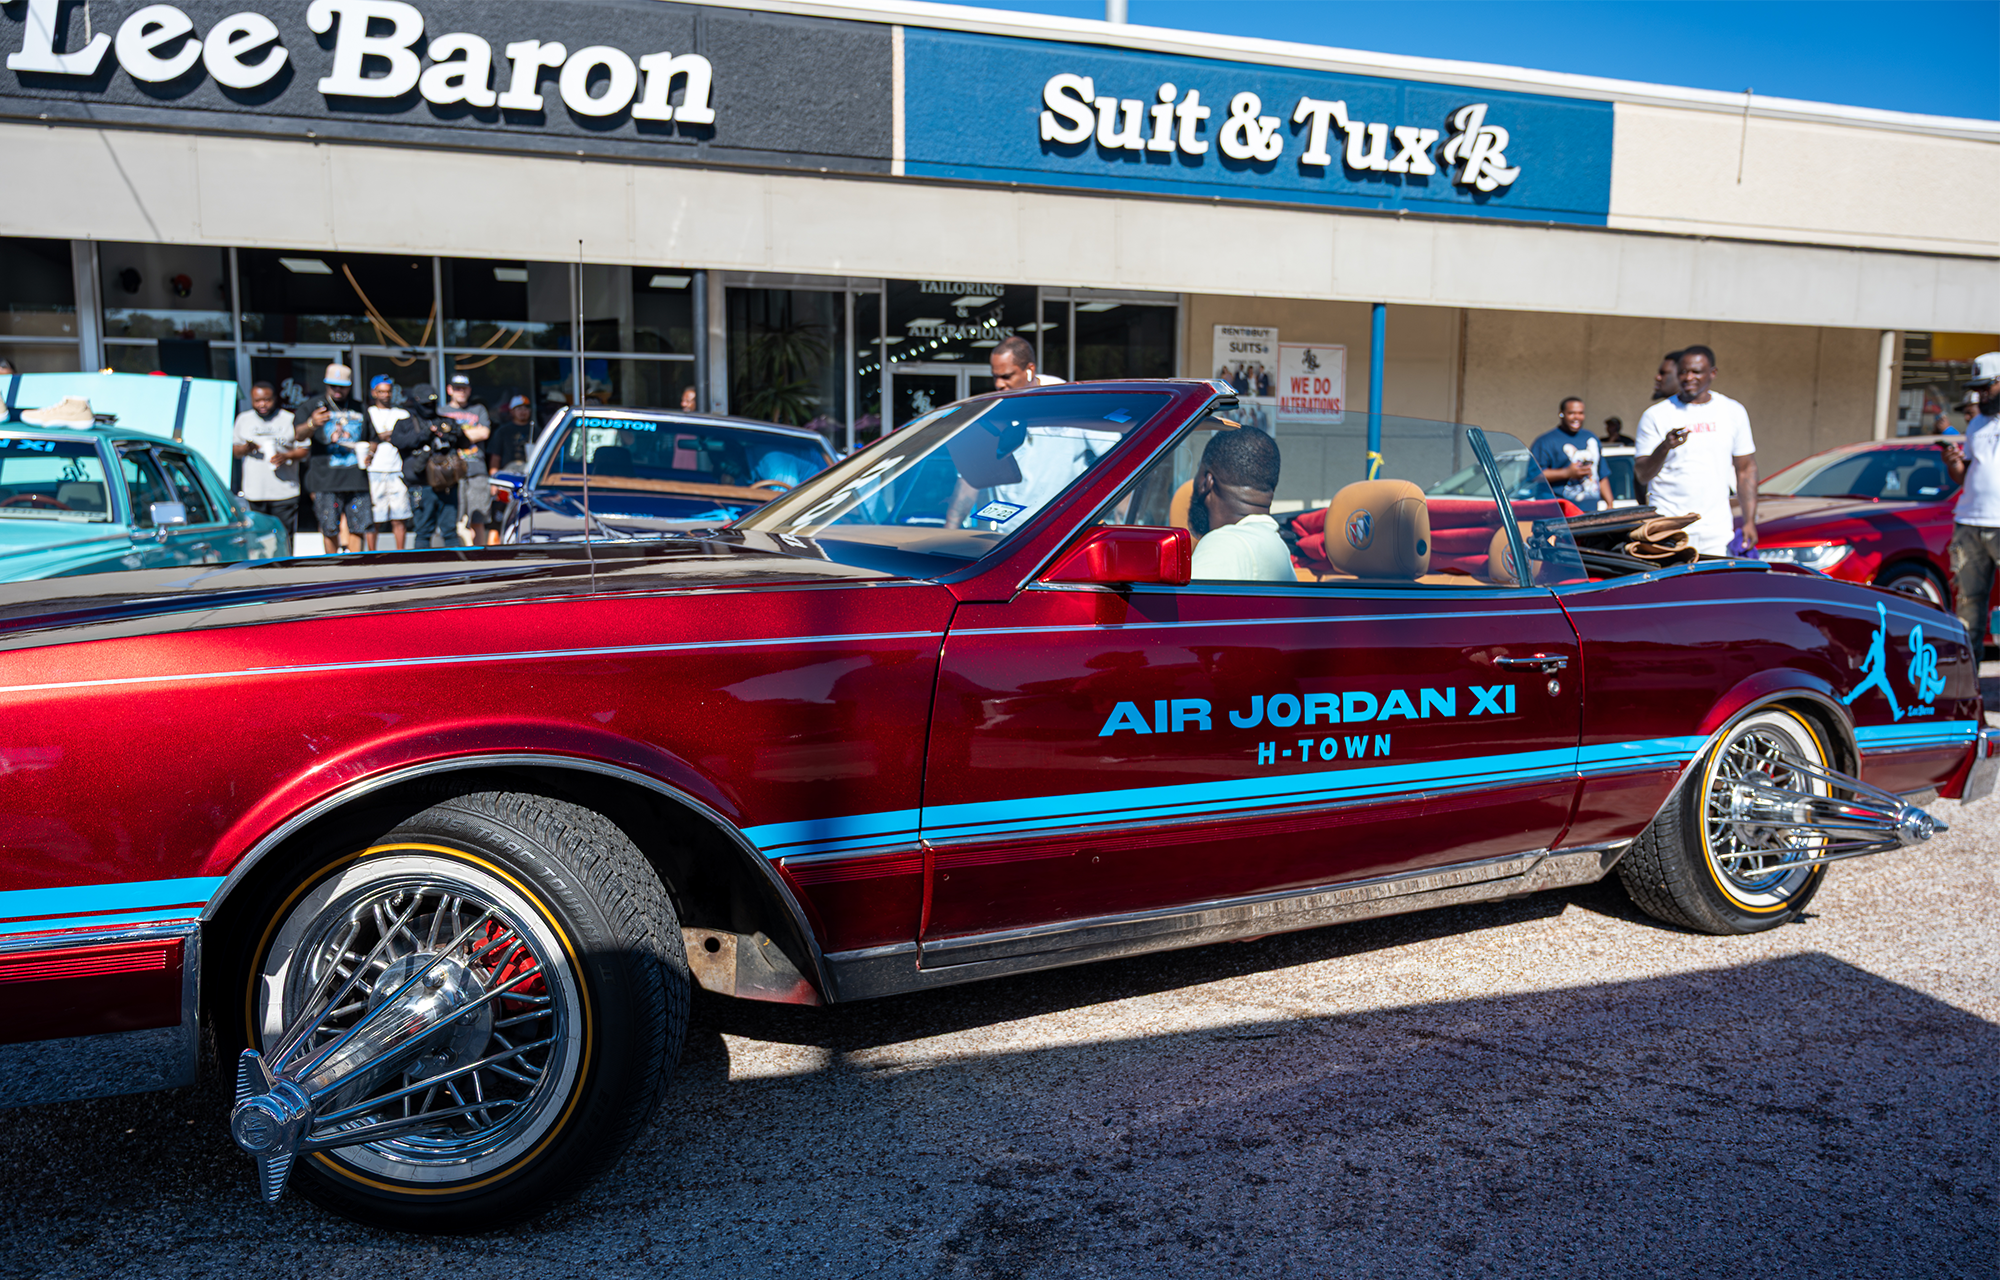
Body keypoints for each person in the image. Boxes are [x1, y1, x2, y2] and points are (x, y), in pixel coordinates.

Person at [1634, 346, 1757, 557]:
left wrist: (1749, 522)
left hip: (1716, 531)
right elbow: (1642, 474)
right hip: (1669, 528)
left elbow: (1745, 469)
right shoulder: (1656, 415)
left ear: (1713, 373)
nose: (1688, 377)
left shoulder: (1732, 411)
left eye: (1696, 372)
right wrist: (1664, 447)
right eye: (1683, 371)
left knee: (1717, 590)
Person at [1940, 352, 2000, 647]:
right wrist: (1953, 463)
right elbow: (1966, 476)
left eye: (1986, 387)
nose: (1980, 394)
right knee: (1968, 603)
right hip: (1968, 521)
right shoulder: (1978, 423)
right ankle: (1970, 685)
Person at [1190, 426, 1291, 581]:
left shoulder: (1224, 545)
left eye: (1199, 470)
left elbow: (1183, 605)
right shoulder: (1278, 547)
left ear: (1206, 481)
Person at [292, 363, 373, 554]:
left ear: (350, 386)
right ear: (326, 385)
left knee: (359, 526)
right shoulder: (313, 406)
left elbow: (372, 439)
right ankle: (335, 566)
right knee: (329, 527)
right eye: (333, 386)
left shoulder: (359, 407)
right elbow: (297, 434)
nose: (338, 390)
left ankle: (355, 566)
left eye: (342, 386)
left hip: (356, 478)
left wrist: (369, 452)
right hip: (325, 479)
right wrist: (312, 423)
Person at [232, 381, 308, 553]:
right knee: (257, 537)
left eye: (267, 400)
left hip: (284, 490)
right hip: (255, 491)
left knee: (284, 536)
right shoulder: (244, 420)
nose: (262, 404)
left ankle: (284, 570)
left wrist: (286, 456)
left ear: (275, 398)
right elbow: (235, 451)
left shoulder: (289, 419)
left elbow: (304, 450)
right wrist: (246, 448)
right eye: (257, 400)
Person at [392, 383, 469, 548]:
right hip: (421, 485)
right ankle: (422, 570)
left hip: (447, 483)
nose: (429, 407)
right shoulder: (405, 424)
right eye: (425, 404)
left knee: (449, 530)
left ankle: (454, 570)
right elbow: (398, 441)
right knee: (423, 530)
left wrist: (453, 433)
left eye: (432, 403)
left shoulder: (446, 422)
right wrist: (424, 434)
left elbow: (465, 442)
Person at [1531, 397, 1614, 512]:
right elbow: (1535, 475)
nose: (1577, 417)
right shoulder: (1545, 441)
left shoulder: (1590, 438)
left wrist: (1609, 504)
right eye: (1571, 413)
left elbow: (1601, 474)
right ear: (1561, 414)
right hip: (1558, 514)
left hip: (1589, 512)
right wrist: (1567, 473)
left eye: (1580, 413)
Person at [440, 374, 495, 546]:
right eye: (457, 388)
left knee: (477, 517)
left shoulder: (479, 409)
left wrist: (455, 436)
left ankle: (478, 555)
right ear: (450, 390)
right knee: (454, 518)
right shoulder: (442, 412)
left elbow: (484, 433)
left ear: (469, 390)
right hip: (451, 472)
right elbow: (441, 438)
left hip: (477, 470)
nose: (461, 392)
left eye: (464, 388)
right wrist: (471, 434)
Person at [362, 376, 411, 550]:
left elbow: (407, 438)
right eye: (381, 391)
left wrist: (390, 436)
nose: (385, 395)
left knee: (399, 517)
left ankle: (400, 554)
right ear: (373, 392)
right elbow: (365, 437)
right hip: (374, 470)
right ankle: (372, 555)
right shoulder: (367, 413)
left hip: (396, 469)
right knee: (374, 517)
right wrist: (382, 436)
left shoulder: (402, 414)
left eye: (388, 391)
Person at [989, 335, 1065, 391]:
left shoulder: (1059, 392)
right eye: (995, 377)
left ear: (1030, 370)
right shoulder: (997, 403)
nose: (998, 384)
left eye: (1006, 377)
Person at [491, 395, 537, 473]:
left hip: (530, 472)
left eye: (526, 408)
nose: (523, 411)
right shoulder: (502, 431)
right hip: (508, 472)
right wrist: (493, 480)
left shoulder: (536, 431)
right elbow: (496, 456)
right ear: (512, 412)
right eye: (519, 409)